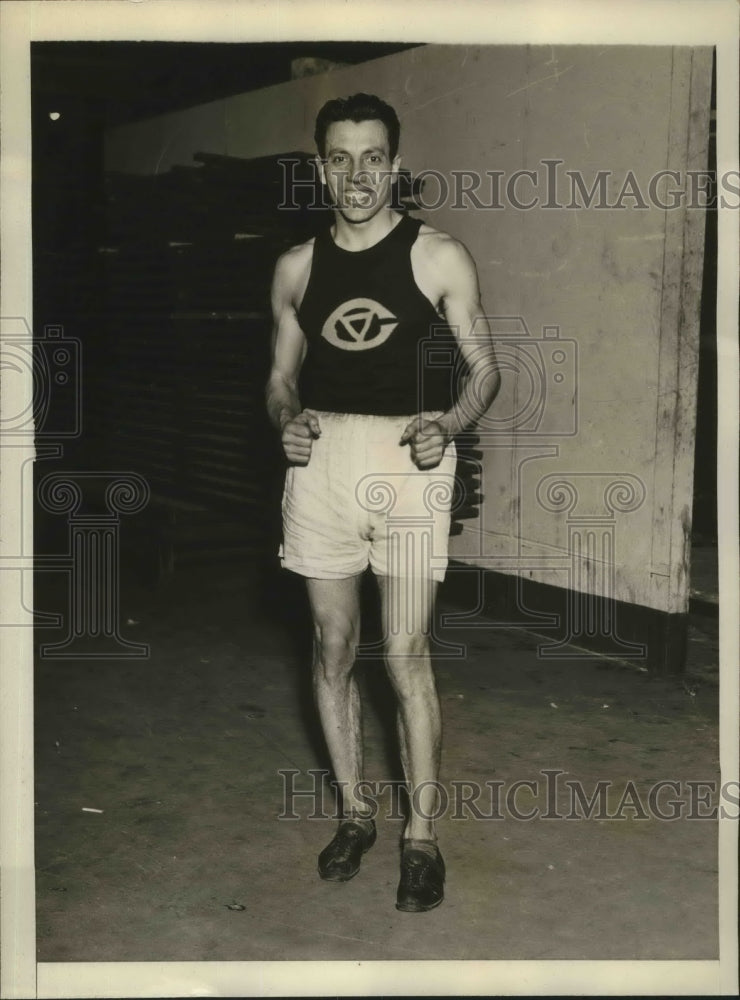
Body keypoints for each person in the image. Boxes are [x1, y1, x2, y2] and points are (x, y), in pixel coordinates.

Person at [266, 93, 500, 912]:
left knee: (403, 655)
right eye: (340, 157)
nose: (358, 174)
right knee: (333, 647)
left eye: (373, 157)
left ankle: (423, 839)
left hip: (409, 455)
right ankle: (356, 815)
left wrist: (451, 427)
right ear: (320, 167)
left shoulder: (438, 256)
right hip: (324, 457)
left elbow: (485, 373)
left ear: (396, 165)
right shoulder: (296, 266)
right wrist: (288, 424)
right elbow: (280, 380)